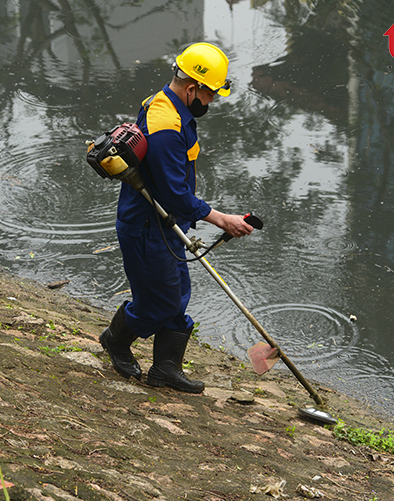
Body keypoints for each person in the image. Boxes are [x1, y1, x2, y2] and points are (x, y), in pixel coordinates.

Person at [99, 42, 254, 394]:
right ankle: (116, 340)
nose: (212, 102)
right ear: (193, 88)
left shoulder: (165, 104)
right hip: (146, 227)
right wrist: (220, 219)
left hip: (166, 225)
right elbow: (174, 194)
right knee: (160, 302)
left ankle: (165, 369)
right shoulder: (166, 126)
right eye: (211, 94)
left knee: (176, 294)